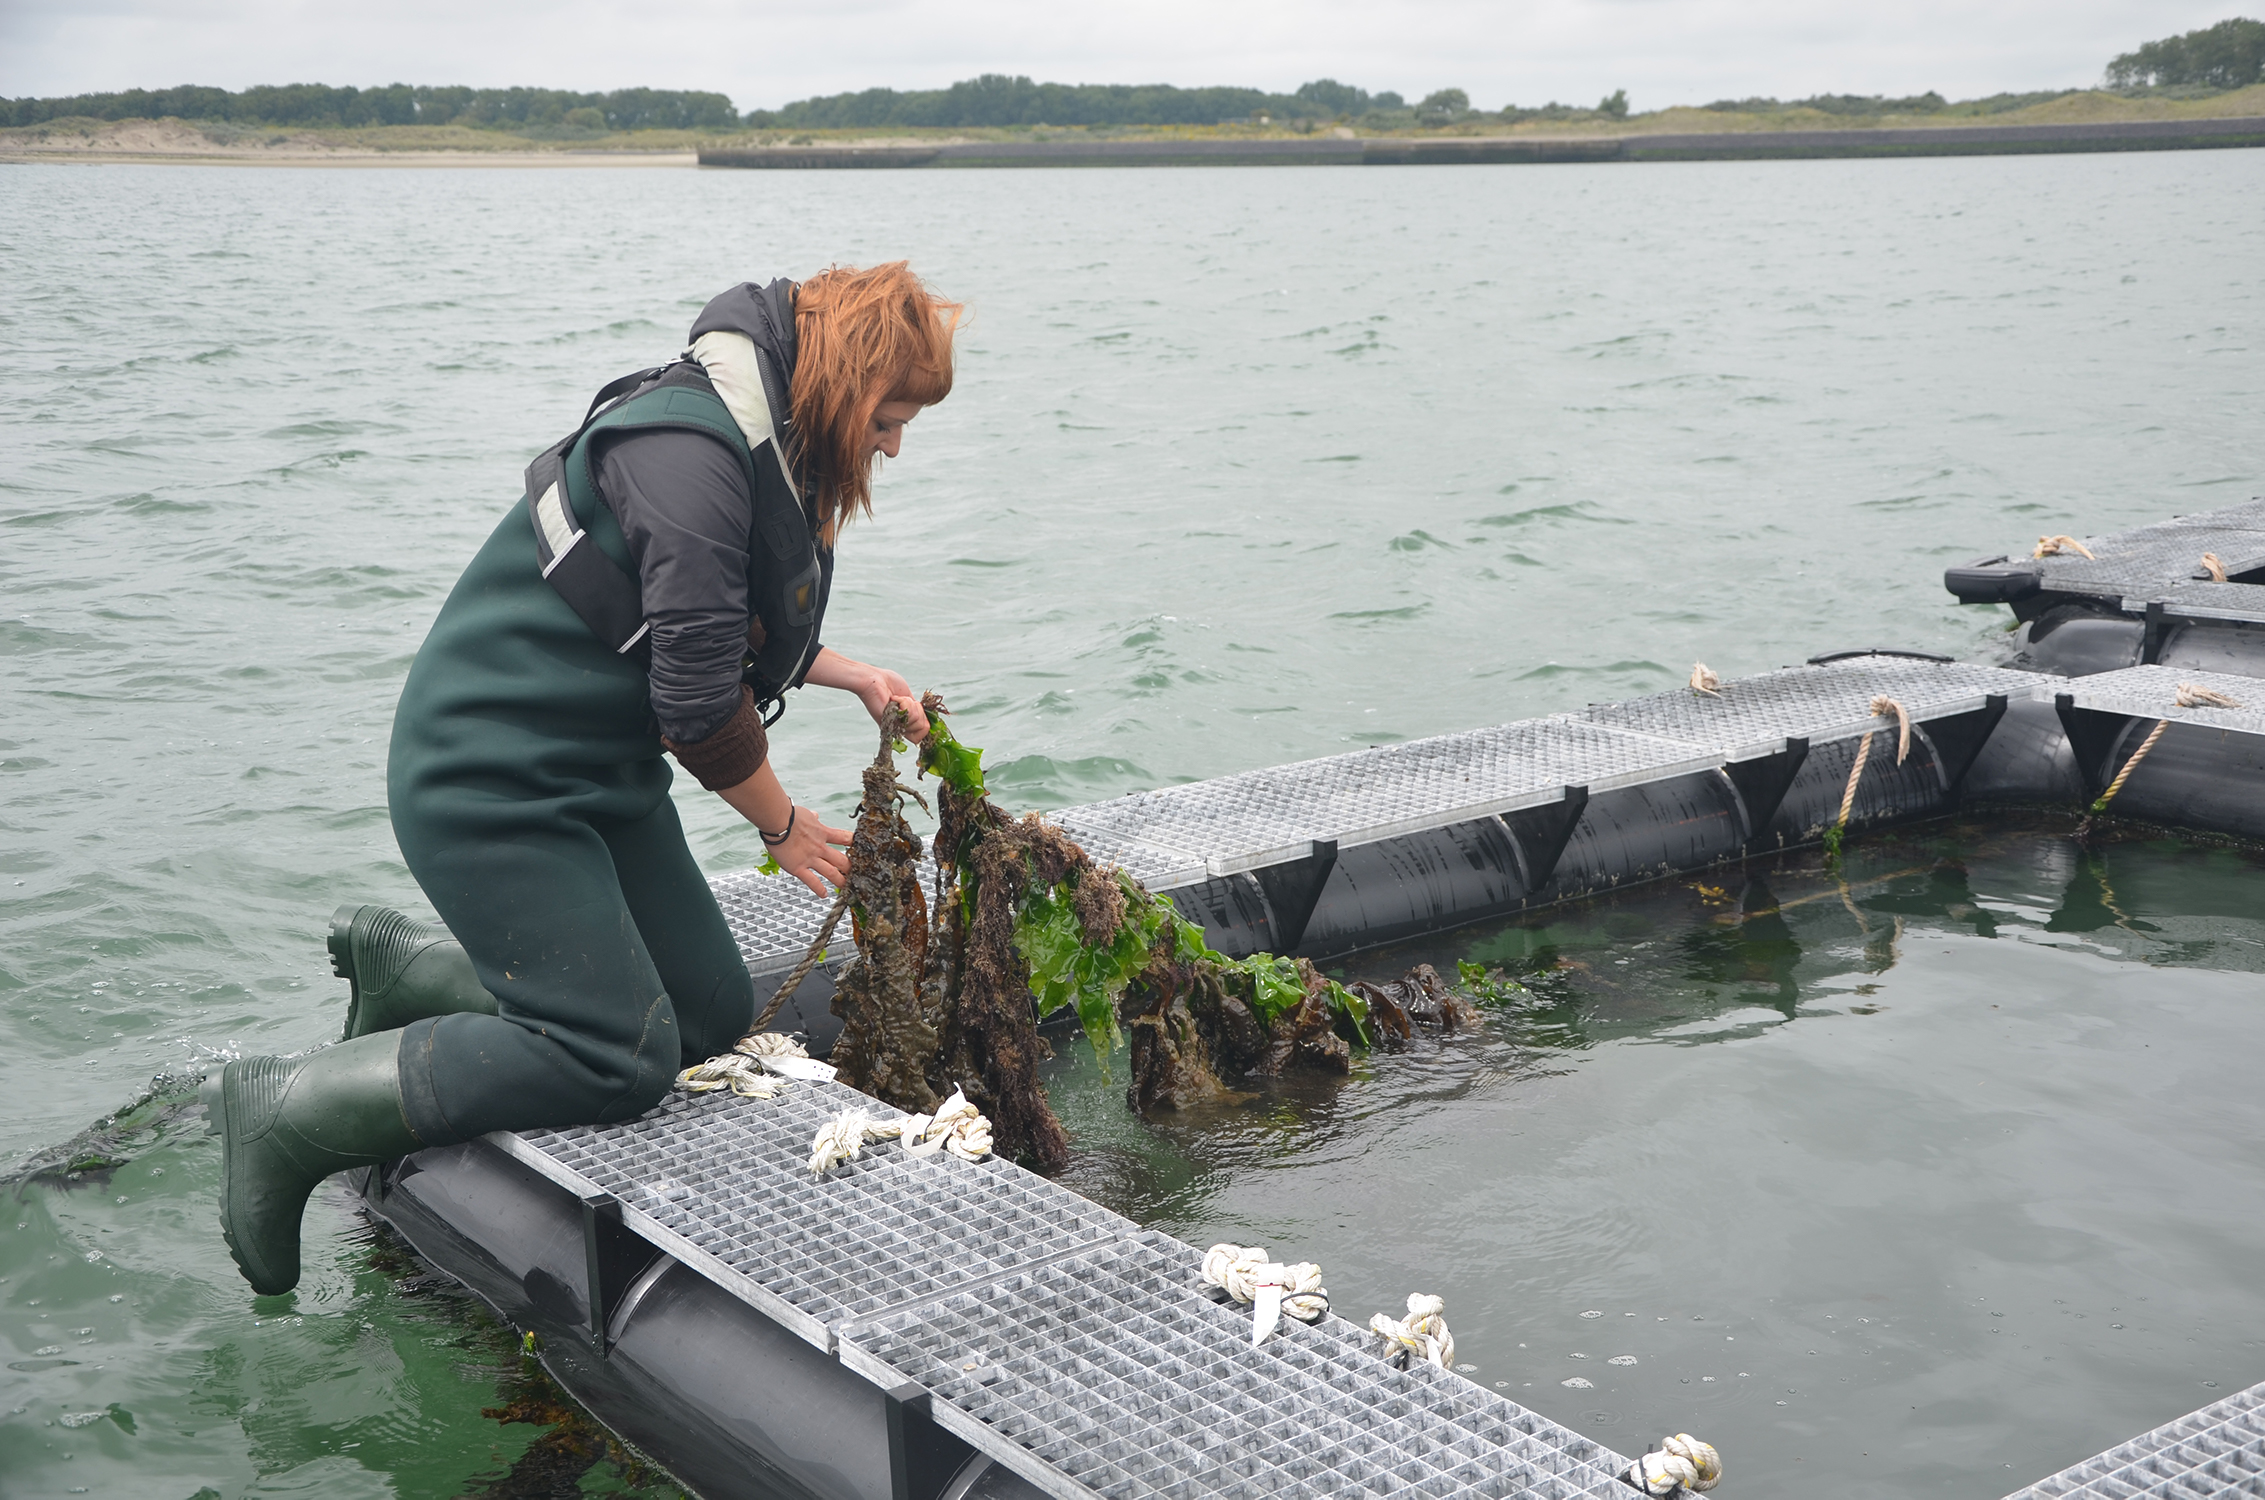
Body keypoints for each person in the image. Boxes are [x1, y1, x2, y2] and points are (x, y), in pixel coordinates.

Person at [202, 264, 963, 1296]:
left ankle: (412, 973)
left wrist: (856, 675)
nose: (894, 446)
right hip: (489, 779)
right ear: (843, 381)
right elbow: (697, 707)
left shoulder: (757, 438)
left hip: (596, 774)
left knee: (704, 1011)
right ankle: (286, 1110)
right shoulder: (690, 456)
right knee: (618, 1056)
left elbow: (699, 626)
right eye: (890, 418)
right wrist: (783, 826)